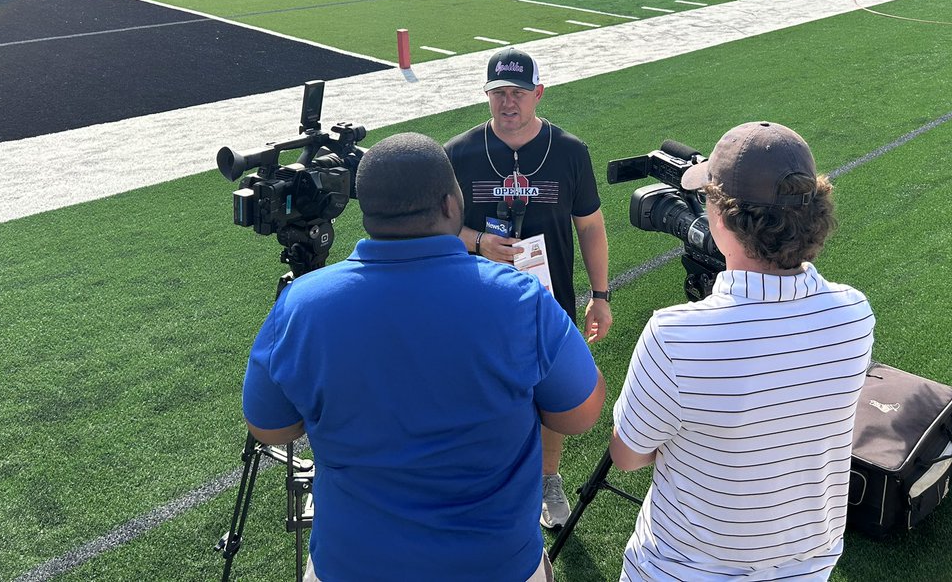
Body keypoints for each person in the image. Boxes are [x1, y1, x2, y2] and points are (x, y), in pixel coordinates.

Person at [243, 133, 605, 582]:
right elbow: (580, 414)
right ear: (453, 205)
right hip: (494, 565)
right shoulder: (517, 299)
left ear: (366, 209)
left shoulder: (301, 304)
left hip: (353, 565)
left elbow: (271, 427)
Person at [611, 121, 874, 582]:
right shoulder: (855, 313)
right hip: (807, 568)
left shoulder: (674, 338)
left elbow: (628, 456)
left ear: (722, 218)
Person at [444, 47, 611, 530]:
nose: (508, 102)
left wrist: (600, 297)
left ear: (539, 93)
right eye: (498, 93)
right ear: (487, 97)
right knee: (480, 391)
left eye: (518, 92)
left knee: (548, 395)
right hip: (475, 299)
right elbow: (436, 228)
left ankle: (548, 478)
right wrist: (478, 241)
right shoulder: (460, 153)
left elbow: (591, 227)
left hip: (547, 300)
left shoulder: (569, 151)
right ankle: (485, 476)